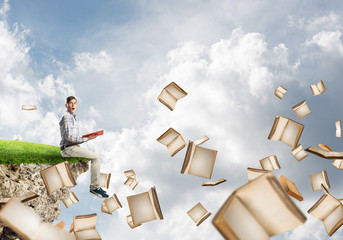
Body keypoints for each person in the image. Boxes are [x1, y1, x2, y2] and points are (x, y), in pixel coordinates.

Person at [59, 96, 109, 198]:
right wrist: (87, 139)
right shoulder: (67, 117)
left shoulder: (73, 118)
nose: (73, 105)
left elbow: (73, 137)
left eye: (75, 103)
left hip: (73, 147)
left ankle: (95, 187)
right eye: (71, 103)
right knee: (96, 157)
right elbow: (69, 137)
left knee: (94, 156)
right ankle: (94, 188)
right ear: (66, 105)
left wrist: (86, 137)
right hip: (68, 148)